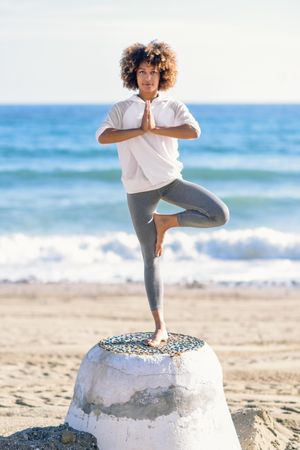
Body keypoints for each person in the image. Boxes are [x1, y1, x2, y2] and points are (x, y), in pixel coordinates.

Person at [96, 41, 230, 347]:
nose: (147, 78)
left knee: (219, 214)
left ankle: (167, 222)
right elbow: (103, 137)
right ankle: (160, 327)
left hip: (170, 181)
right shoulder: (121, 109)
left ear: (162, 75)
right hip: (139, 190)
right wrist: (139, 131)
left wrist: (155, 129)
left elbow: (193, 131)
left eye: (153, 72)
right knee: (151, 259)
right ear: (133, 73)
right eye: (142, 71)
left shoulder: (173, 106)